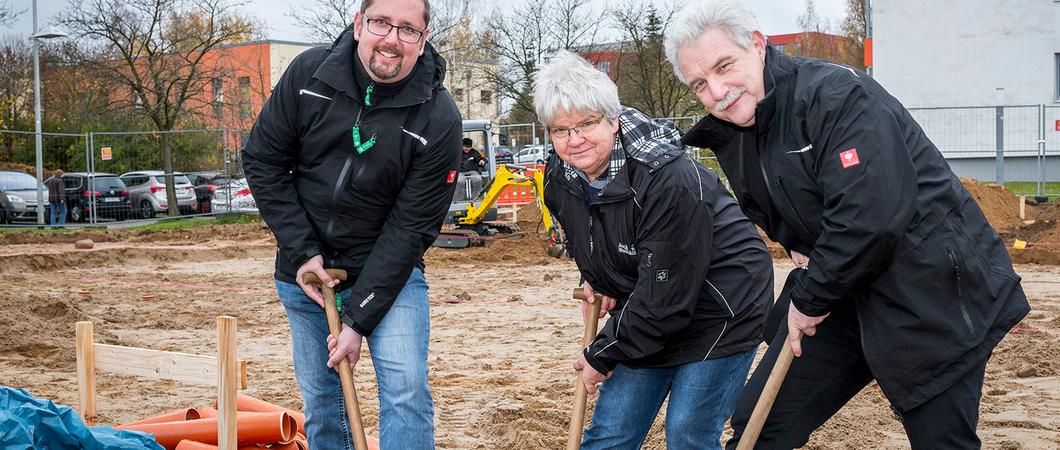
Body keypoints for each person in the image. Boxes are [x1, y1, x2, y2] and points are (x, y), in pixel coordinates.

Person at [664, 1, 1031, 448]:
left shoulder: (836, 96)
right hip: (841, 290)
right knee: (760, 425)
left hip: (931, 289)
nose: (717, 90)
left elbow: (868, 218)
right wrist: (800, 245)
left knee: (940, 438)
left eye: (725, 65)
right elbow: (772, 204)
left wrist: (811, 295)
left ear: (757, 46)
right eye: (700, 83)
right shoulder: (738, 131)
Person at [241, 0, 462, 448]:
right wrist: (304, 253)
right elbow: (263, 160)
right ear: (360, 24)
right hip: (306, 275)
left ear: (422, 42)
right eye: (381, 22)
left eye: (408, 30)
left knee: (405, 392)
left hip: (388, 274)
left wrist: (358, 320)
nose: (392, 39)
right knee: (323, 400)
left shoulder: (438, 118)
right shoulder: (309, 75)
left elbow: (413, 226)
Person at [536, 50, 773, 450]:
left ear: (612, 120)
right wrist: (596, 276)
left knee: (687, 433)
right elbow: (592, 235)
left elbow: (666, 296)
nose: (574, 140)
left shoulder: (665, 179)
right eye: (560, 130)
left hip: (720, 308)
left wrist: (602, 355)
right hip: (651, 303)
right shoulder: (559, 176)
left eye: (587, 124)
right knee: (611, 434)